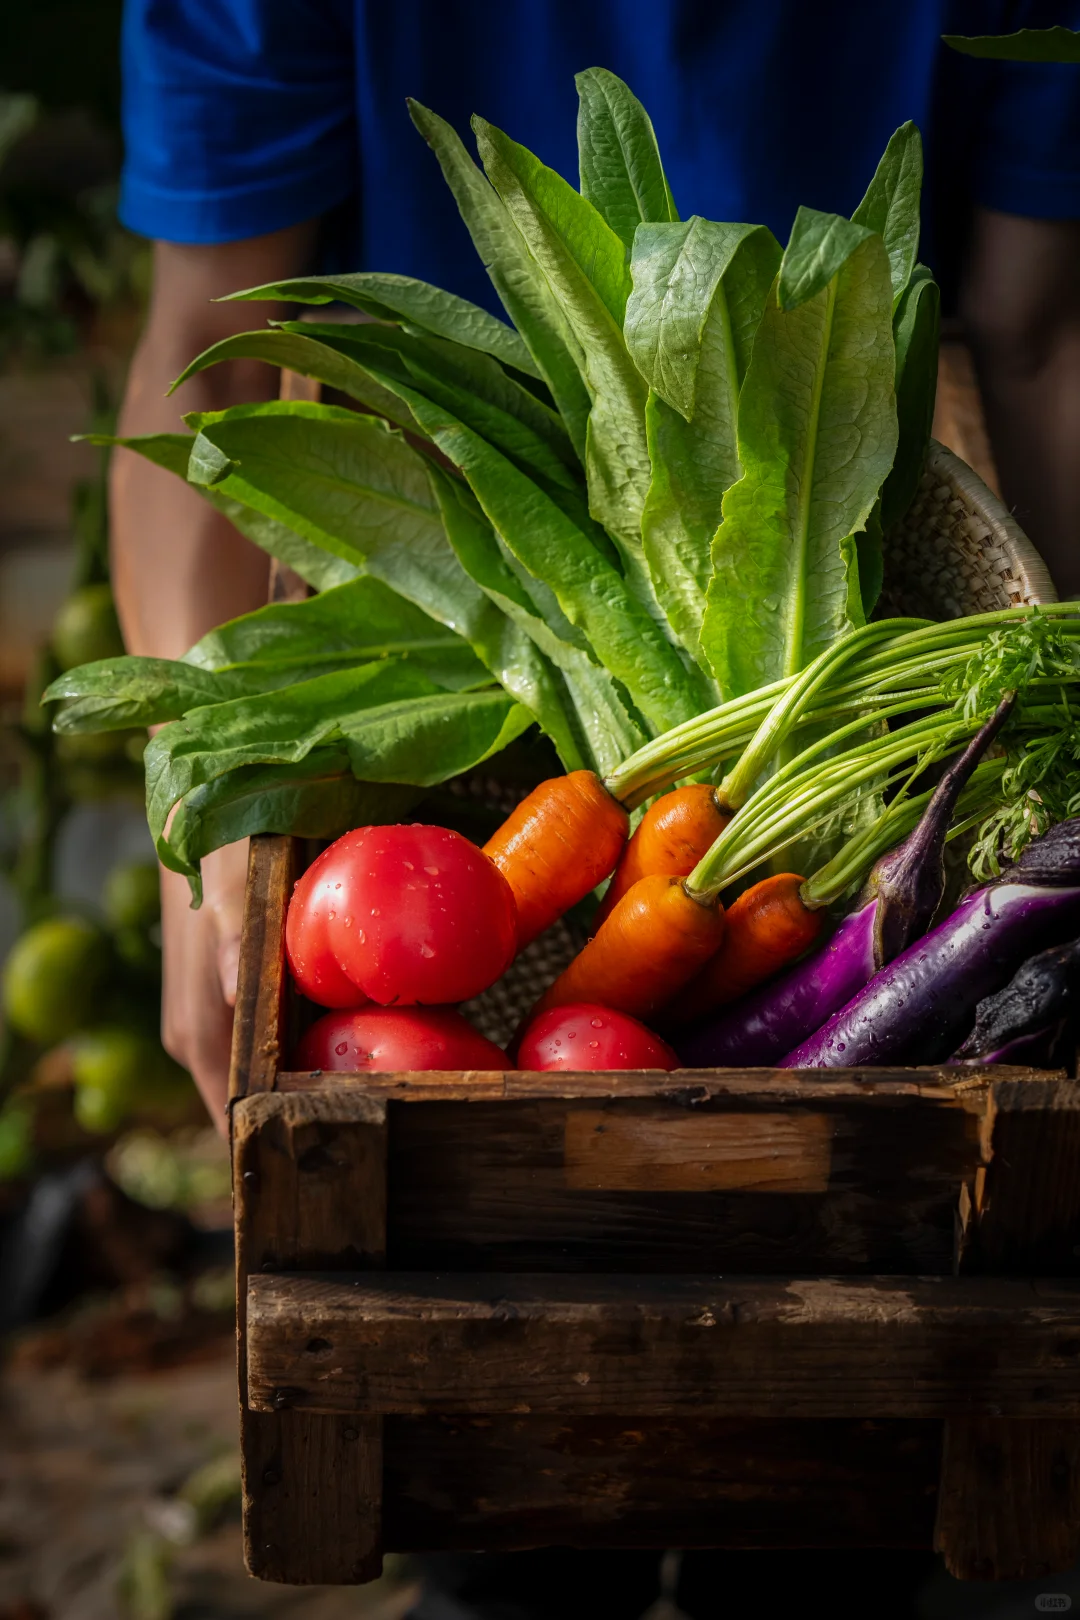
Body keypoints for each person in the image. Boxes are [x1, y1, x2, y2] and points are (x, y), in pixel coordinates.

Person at [112, 0, 1080, 1128]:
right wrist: (211, 867)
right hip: (463, 541)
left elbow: (1041, 337)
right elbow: (207, 367)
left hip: (852, 582)